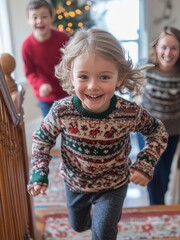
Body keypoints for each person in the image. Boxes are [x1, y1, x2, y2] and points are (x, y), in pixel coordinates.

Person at [27, 28, 168, 240]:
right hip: (75, 183)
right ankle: (97, 224)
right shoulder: (61, 111)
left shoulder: (128, 112)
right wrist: (39, 172)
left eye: (104, 77)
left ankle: (104, 226)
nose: (93, 86)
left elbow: (158, 132)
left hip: (114, 185)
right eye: (83, 77)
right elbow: (42, 139)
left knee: (103, 233)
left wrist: (145, 163)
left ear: (119, 78)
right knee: (78, 226)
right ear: (71, 76)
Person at [140, 26, 180, 205]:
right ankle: (157, 208)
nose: (168, 53)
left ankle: (159, 206)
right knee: (152, 172)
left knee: (165, 173)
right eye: (164, 47)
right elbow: (132, 91)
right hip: (147, 131)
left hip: (172, 132)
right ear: (156, 47)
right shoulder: (146, 69)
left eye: (174, 48)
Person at [22, 0, 70, 117]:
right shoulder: (26, 46)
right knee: (49, 130)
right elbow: (30, 72)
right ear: (28, 19)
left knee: (70, 129)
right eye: (34, 17)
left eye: (44, 16)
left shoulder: (62, 37)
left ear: (51, 17)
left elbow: (72, 61)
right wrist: (40, 85)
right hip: (46, 97)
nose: (39, 21)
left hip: (67, 92)